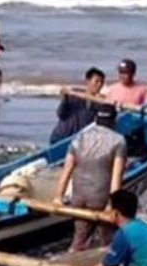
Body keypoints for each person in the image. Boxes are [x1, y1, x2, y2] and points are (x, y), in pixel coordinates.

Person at [53, 104, 128, 250]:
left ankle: (72, 259)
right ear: (114, 121)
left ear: (96, 119)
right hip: (100, 198)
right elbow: (116, 177)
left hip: (78, 198)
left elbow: (67, 170)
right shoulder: (119, 141)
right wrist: (111, 205)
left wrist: (58, 196)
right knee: (109, 242)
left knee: (80, 238)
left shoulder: (78, 139)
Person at [50, 67, 106, 143]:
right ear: (88, 81)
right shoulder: (73, 95)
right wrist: (65, 98)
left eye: (101, 82)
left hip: (78, 141)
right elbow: (60, 114)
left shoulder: (99, 102)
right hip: (61, 137)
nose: (99, 85)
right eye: (96, 81)